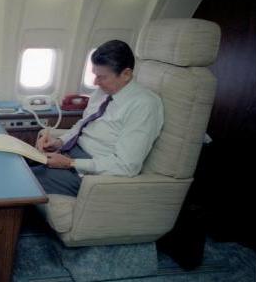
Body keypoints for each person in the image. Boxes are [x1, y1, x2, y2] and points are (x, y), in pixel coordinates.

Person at [30, 40, 164, 197]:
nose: (95, 82)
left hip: (90, 173)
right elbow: (82, 125)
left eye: (102, 77)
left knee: (26, 180)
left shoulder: (144, 105)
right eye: (95, 75)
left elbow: (127, 166)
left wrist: (70, 163)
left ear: (126, 74)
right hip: (70, 154)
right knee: (18, 164)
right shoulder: (102, 92)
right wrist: (60, 142)